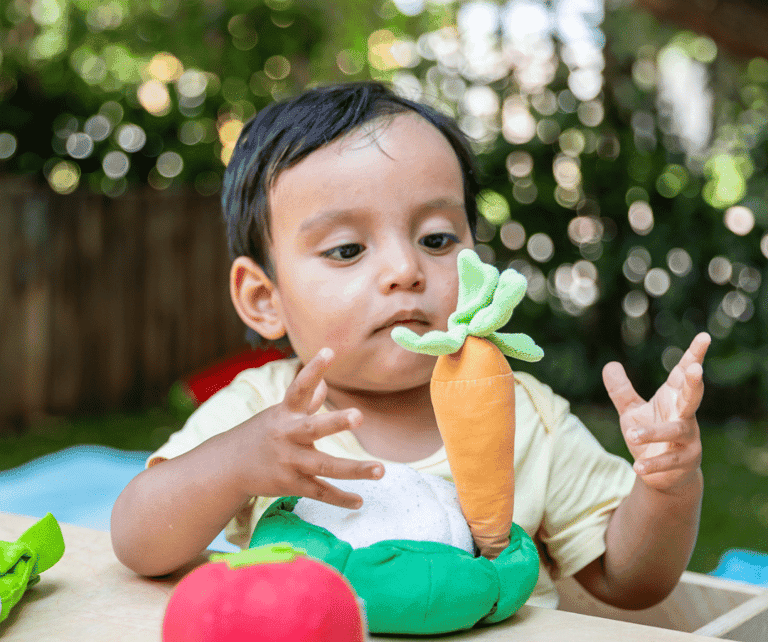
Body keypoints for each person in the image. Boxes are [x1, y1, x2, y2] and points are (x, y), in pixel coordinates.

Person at [111, 80, 710, 610]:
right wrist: (236, 464)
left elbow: (628, 582)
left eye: (437, 239)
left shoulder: (525, 416)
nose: (405, 270)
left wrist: (667, 486)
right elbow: (139, 543)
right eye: (348, 249)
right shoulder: (262, 414)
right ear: (265, 298)